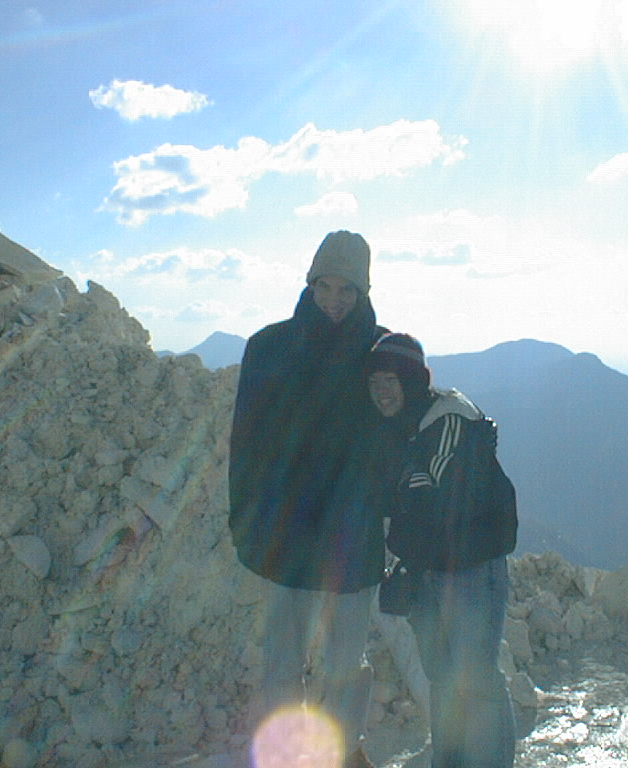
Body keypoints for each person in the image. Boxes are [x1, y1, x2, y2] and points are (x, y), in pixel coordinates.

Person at [228, 231, 386, 768]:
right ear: (310, 283)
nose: (334, 300)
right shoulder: (269, 347)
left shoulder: (383, 352)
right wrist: (244, 519)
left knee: (346, 661)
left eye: (347, 289)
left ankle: (344, 750)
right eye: (325, 286)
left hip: (354, 532)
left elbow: (398, 434)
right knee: (282, 659)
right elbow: (246, 443)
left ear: (363, 291)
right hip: (289, 531)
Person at [366, 332, 518, 768]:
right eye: (374, 381)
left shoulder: (448, 418)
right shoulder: (403, 426)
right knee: (442, 677)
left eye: (391, 380)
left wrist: (398, 528)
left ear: (414, 380)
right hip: (428, 567)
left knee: (475, 679)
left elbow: (429, 497)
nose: (382, 390)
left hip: (470, 568)